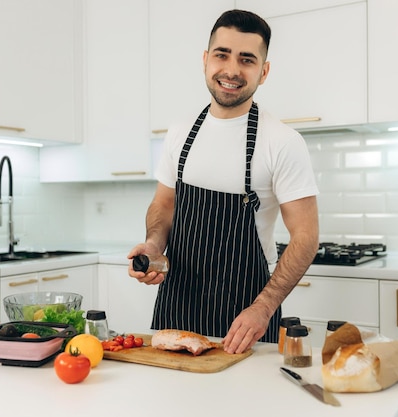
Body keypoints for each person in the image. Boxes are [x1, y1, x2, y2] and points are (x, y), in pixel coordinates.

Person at [127, 9, 319, 354]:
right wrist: (154, 246)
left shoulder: (282, 141)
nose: (231, 70)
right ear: (205, 60)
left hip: (247, 320)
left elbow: (306, 236)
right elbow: (164, 204)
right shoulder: (180, 132)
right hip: (176, 309)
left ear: (264, 71)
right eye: (222, 55)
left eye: (247, 59)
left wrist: (264, 307)